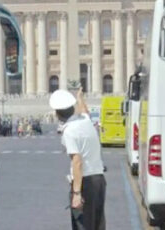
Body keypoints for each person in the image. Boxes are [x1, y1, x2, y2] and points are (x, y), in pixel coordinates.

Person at [49, 88, 106, 230]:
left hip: (85, 183)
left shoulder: (69, 131)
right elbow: (85, 111)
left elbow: (77, 161)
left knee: (82, 225)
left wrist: (76, 193)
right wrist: (80, 98)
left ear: (57, 114)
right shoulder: (85, 121)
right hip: (99, 180)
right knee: (97, 225)